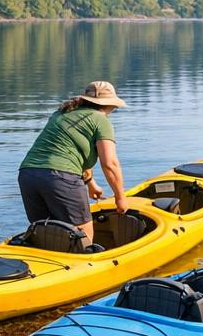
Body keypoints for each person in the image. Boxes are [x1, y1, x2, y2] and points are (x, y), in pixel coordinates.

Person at [18, 80, 129, 245]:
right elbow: (110, 163)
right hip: (61, 179)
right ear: (110, 105)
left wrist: (91, 184)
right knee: (83, 237)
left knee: (45, 233)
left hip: (28, 176)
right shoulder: (100, 119)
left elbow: (69, 151)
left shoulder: (61, 113)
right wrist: (120, 197)